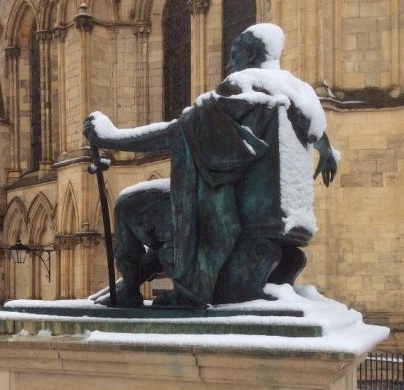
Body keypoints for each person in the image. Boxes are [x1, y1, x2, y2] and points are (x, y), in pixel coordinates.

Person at [83, 23, 338, 307]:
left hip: (234, 215)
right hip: (281, 221)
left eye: (234, 55)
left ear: (251, 53)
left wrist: (111, 138)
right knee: (178, 215)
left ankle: (132, 290)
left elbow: (177, 132)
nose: (229, 64)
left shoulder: (241, 88)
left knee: (129, 204)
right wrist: (326, 152)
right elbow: (316, 130)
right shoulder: (299, 95)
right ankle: (139, 280)